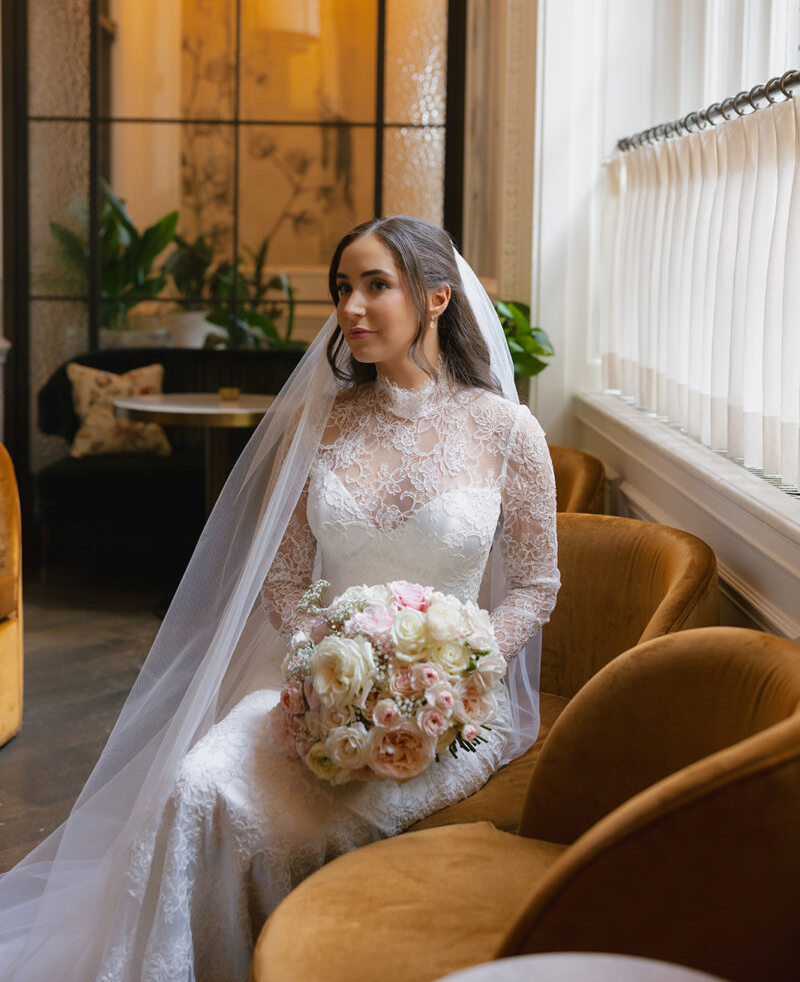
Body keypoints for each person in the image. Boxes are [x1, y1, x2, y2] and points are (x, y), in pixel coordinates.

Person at [0, 216, 559, 982]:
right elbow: (287, 579)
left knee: (294, 829)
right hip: (317, 687)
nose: (351, 308)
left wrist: (457, 671)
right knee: (195, 786)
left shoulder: (508, 432)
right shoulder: (317, 426)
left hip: (449, 708)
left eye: (375, 286)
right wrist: (328, 671)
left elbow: (536, 583)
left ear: (435, 299)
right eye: (342, 289)